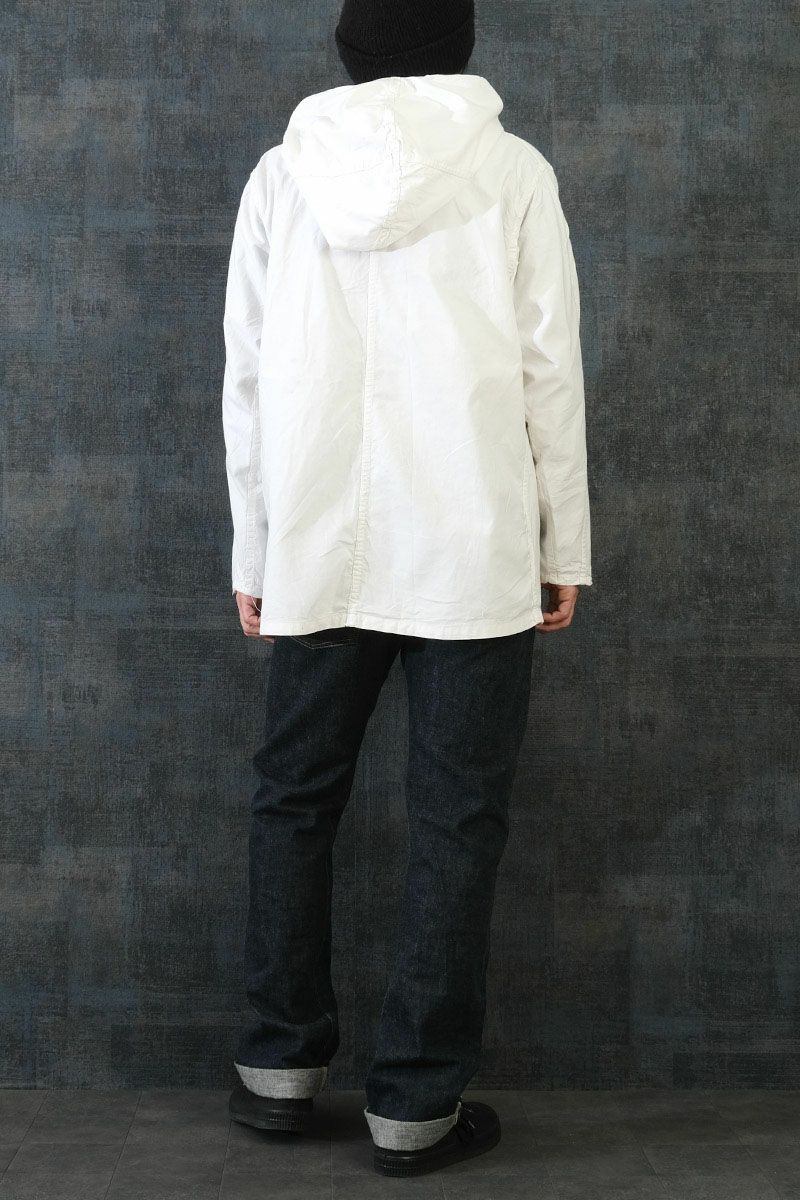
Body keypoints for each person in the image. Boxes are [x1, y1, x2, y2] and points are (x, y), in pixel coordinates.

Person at [221, 0, 592, 1178]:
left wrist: (255, 550)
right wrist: (562, 543)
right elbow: (547, 371)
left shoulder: (282, 175)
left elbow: (246, 375)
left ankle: (278, 1069)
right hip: (471, 541)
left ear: (349, 48)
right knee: (455, 820)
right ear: (458, 43)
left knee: (293, 800)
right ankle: (414, 1108)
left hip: (318, 541)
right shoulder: (511, 172)